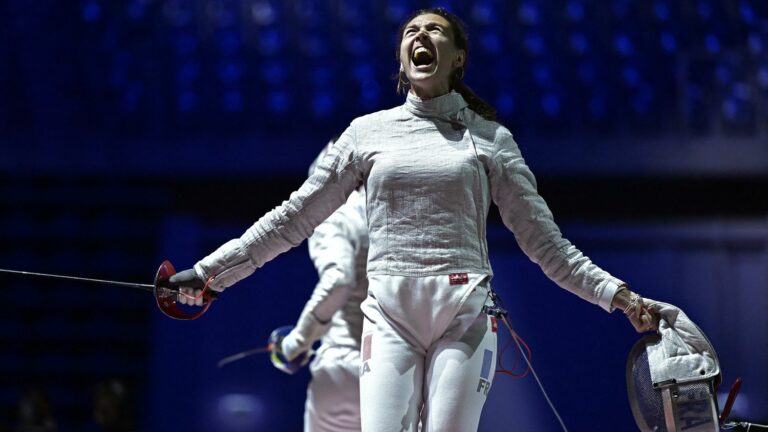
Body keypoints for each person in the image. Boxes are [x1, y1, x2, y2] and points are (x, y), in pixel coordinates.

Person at [167, 7, 659, 432]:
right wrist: (212, 272)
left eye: (435, 31)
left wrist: (617, 295)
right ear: (402, 58)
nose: (421, 36)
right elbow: (294, 217)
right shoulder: (367, 133)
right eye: (411, 32)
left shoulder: (490, 138)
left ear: (458, 57)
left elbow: (546, 245)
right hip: (388, 316)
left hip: (463, 314)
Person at [270, 140, 369, 432]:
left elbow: (339, 282)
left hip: (343, 369)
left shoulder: (332, 216)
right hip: (398, 369)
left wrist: (294, 344)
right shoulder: (398, 217)